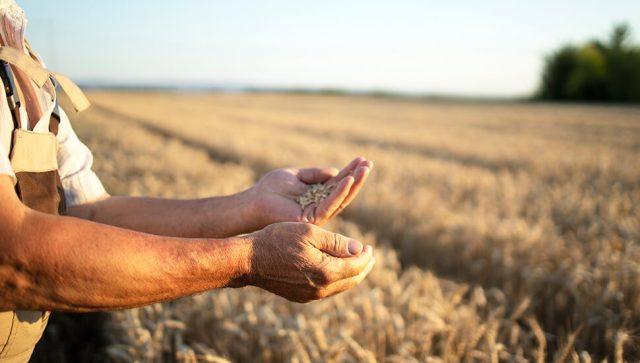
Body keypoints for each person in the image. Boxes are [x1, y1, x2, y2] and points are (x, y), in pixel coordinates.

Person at [0, 1, 375, 362]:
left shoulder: (18, 51)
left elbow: (87, 212)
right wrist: (249, 260)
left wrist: (252, 204)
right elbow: (11, 255)